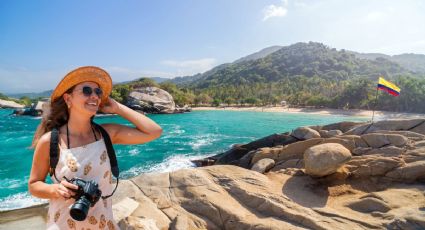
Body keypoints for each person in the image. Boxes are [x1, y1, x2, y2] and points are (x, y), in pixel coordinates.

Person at [28, 66, 163, 229]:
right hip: (63, 224)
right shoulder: (50, 141)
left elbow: (154, 131)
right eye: (86, 90)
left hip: (103, 223)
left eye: (98, 92)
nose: (94, 96)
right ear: (68, 99)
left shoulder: (106, 134)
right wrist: (56, 190)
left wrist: (117, 108)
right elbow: (34, 185)